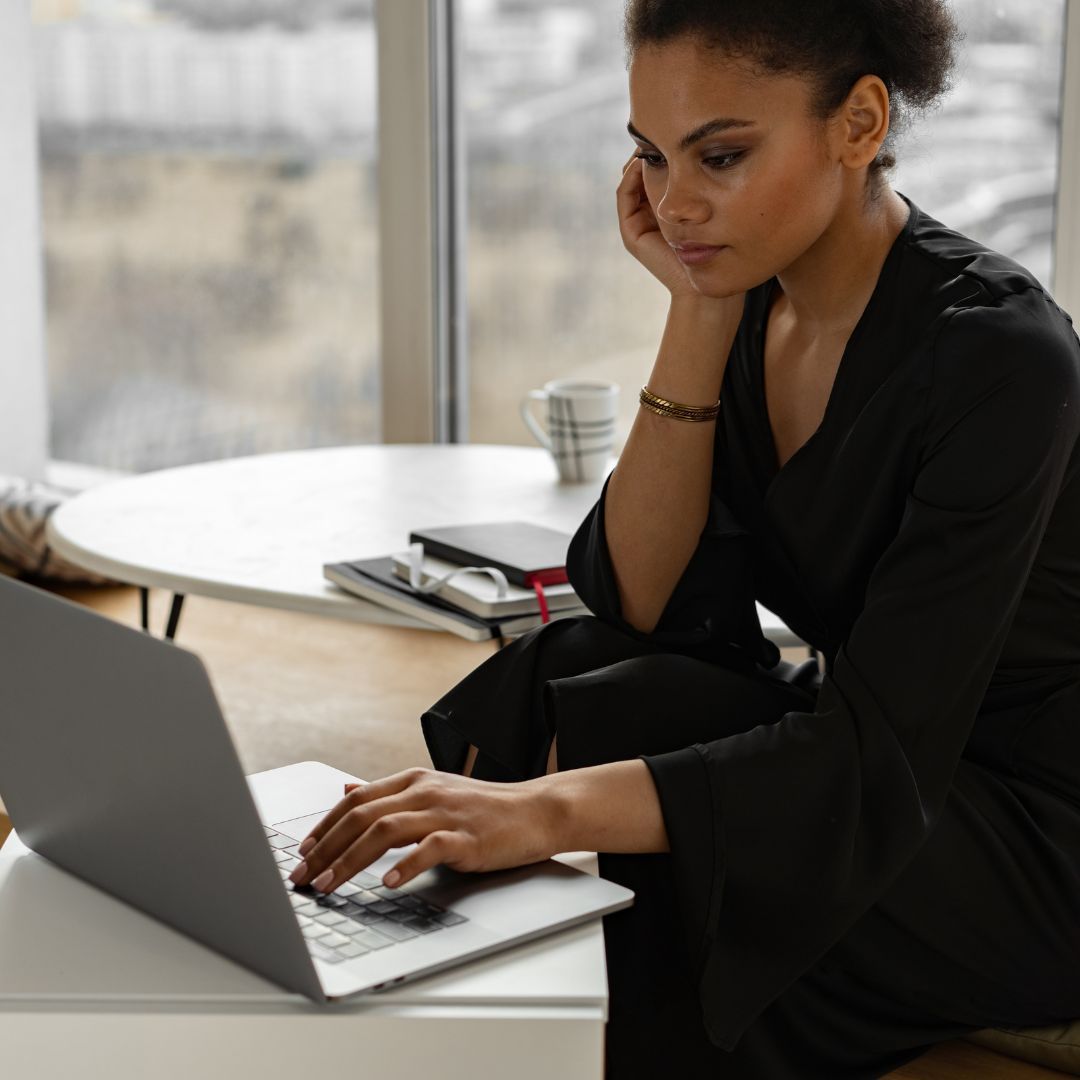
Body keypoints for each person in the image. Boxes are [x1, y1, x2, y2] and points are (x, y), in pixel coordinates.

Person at [290, 1, 1080, 1075]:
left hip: (1021, 831)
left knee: (673, 868)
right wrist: (698, 309)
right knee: (577, 669)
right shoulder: (755, 295)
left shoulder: (1002, 358)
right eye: (651, 158)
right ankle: (437, 958)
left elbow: (874, 751)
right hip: (874, 764)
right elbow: (648, 602)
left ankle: (570, 1021)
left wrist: (538, 810)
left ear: (858, 124)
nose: (677, 200)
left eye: (721, 155)